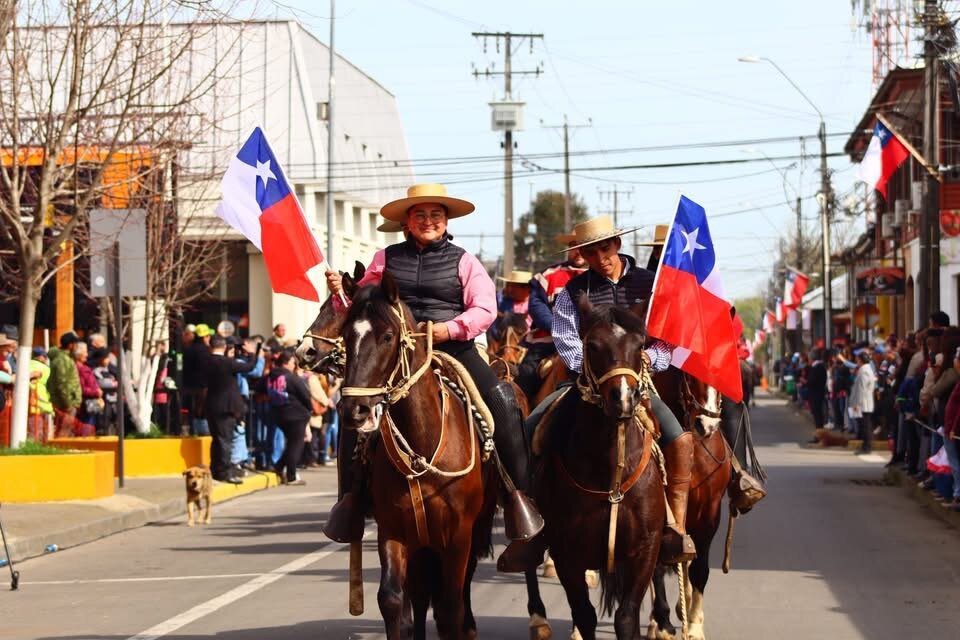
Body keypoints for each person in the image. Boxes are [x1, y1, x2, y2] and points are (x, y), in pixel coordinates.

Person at [324, 183, 539, 564]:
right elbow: (363, 304)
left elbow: (485, 308)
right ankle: (351, 500)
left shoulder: (464, 261)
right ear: (407, 222)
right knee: (352, 406)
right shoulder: (384, 258)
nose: (428, 222)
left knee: (503, 401)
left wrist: (450, 328)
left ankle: (518, 498)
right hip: (397, 353)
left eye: (435, 216)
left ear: (445, 222)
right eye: (420, 215)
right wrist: (343, 292)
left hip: (451, 347)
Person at [535, 214, 696, 566]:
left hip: (640, 381)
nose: (600, 257)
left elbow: (668, 338)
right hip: (588, 383)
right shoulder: (574, 292)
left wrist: (649, 361)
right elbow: (565, 340)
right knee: (532, 428)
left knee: (681, 441)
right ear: (583, 256)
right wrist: (596, 374)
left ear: (617, 245)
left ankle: (675, 528)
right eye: (591, 252)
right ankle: (534, 525)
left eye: (604, 248)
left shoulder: (650, 285)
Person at [514, 234, 587, 399]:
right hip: (550, 340)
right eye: (574, 246)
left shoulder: (600, 276)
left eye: (584, 246)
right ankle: (520, 418)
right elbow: (536, 305)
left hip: (589, 343)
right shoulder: (548, 275)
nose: (579, 251)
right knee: (525, 374)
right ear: (569, 248)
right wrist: (559, 328)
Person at [203, 334, 261, 484]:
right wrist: (253, 353)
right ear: (223, 347)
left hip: (212, 406)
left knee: (217, 440)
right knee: (225, 441)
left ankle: (216, 469)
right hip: (226, 408)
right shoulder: (225, 363)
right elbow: (249, 367)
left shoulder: (206, 361)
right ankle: (225, 472)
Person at [266, 348, 312, 485]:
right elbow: (305, 396)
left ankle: (279, 466)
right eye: (293, 362)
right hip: (296, 415)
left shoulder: (270, 377)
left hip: (279, 414)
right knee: (296, 445)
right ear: (286, 363)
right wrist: (309, 409)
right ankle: (291, 476)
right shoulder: (291, 377)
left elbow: (260, 388)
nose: (294, 365)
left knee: (292, 444)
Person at [48, 331, 82, 434]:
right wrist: (67, 403)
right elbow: (61, 383)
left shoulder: (67, 358)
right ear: (70, 345)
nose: (77, 347)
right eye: (75, 344)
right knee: (64, 430)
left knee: (67, 429)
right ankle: (61, 449)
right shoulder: (63, 360)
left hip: (68, 401)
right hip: (66, 403)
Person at [849, 351, 877, 454]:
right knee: (863, 425)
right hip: (863, 403)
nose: (856, 361)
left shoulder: (864, 371)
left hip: (863, 404)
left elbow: (862, 389)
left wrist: (857, 405)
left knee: (865, 426)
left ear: (860, 360)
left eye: (857, 359)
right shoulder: (865, 369)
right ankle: (865, 445)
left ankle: (867, 447)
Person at [90, 347, 119, 435]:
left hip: (114, 399)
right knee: (105, 419)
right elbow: (104, 383)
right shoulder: (96, 371)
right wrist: (115, 383)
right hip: (104, 400)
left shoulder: (111, 370)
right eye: (106, 358)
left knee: (115, 420)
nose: (108, 360)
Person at [74, 342, 102, 434]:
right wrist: (96, 392)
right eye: (85, 352)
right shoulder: (80, 369)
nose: (87, 355)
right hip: (87, 404)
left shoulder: (83, 367)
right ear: (78, 354)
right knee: (87, 429)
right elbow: (81, 388)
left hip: (90, 404)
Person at [28, 347, 54, 439]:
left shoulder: (25, 364)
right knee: (42, 430)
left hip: (29, 403)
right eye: (45, 357)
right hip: (43, 403)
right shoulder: (46, 369)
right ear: (40, 357)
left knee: (31, 429)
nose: (46, 359)